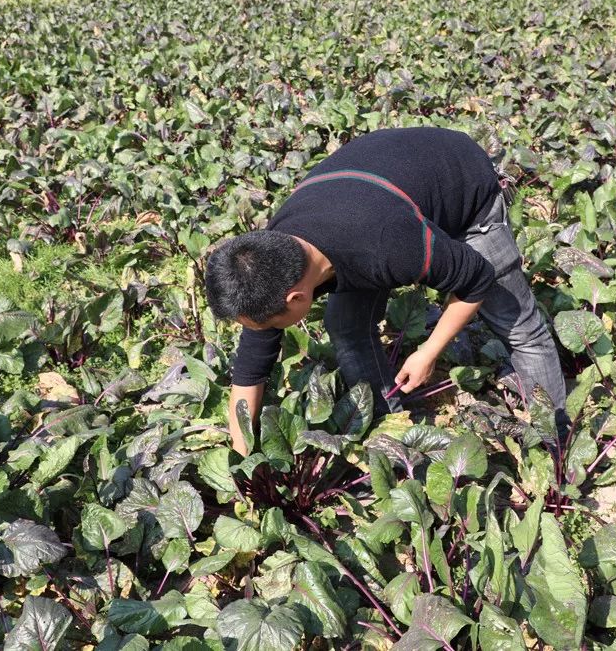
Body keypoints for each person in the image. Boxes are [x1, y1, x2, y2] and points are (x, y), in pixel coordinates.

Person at [204, 127, 567, 455]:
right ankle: (389, 428)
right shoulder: (270, 262)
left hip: (462, 181)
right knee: (346, 324)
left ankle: (555, 444)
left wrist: (429, 352)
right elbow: (250, 372)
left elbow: (476, 279)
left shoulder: (385, 244)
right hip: (383, 187)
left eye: (269, 324)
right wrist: (243, 457)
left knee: (519, 327)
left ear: (295, 299)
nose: (265, 331)